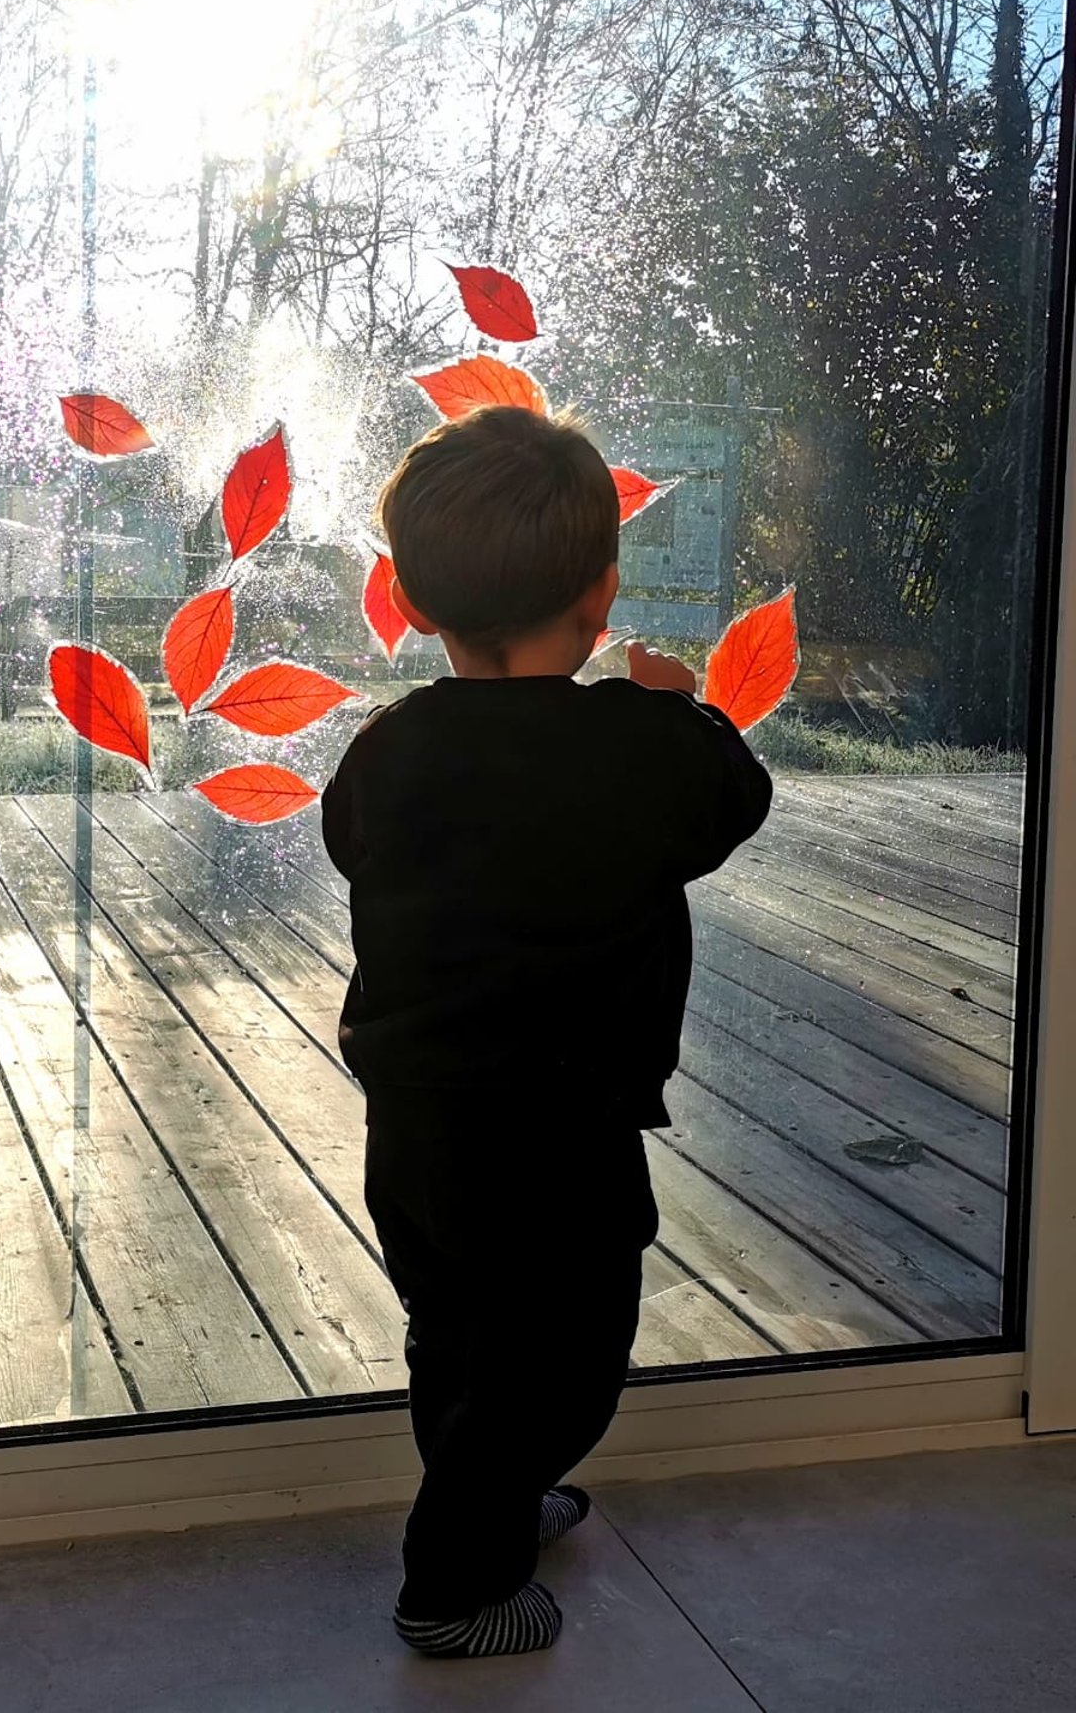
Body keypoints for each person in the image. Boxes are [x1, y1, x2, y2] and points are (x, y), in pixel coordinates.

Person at [321, 405, 773, 1659]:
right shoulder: (635, 748)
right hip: (563, 1122)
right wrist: (684, 708)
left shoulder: (389, 746)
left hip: (414, 1117)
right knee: (562, 1353)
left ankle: (495, 1491)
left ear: (411, 601)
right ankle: (455, 1583)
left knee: (457, 1331)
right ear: (603, 592)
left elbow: (350, 841)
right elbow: (734, 804)